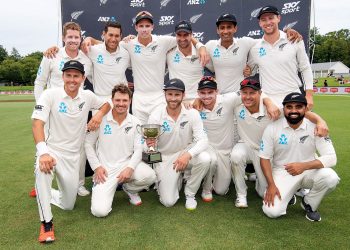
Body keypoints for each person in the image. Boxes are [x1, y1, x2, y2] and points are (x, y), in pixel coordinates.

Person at [82, 10, 209, 123]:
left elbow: (183, 38)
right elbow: (110, 44)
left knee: (157, 134)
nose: (144, 29)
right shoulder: (129, 43)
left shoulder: (162, 41)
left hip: (158, 97)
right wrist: (90, 39)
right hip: (138, 98)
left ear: (152, 27)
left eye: (147, 26)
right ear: (136, 27)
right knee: (140, 135)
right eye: (141, 26)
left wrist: (200, 46)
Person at [32, 60, 110, 243]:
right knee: (42, 169)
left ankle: (44, 191)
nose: (72, 79)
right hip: (52, 151)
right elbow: (37, 123)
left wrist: (98, 114)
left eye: (76, 76)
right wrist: (43, 152)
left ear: (83, 78)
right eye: (68, 75)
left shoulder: (88, 96)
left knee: (68, 205)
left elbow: (107, 104)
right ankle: (46, 224)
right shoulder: (50, 94)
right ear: (63, 76)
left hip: (73, 156)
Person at [231, 77, 329, 208]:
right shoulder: (236, 105)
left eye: (252, 93)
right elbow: (217, 99)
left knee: (263, 193)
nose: (248, 97)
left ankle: (266, 183)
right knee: (236, 156)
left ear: (260, 93)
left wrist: (320, 121)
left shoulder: (274, 108)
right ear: (240, 93)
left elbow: (300, 113)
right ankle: (241, 195)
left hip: (266, 153)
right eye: (244, 92)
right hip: (247, 145)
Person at [194, 76, 279, 202]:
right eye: (203, 93)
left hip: (224, 151)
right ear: (198, 93)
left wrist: (268, 101)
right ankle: (205, 184)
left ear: (217, 92)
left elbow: (253, 93)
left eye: (210, 92)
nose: (206, 96)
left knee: (221, 191)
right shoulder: (195, 106)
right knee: (208, 159)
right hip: (207, 149)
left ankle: (220, 178)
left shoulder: (228, 100)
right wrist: (196, 99)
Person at [259, 92, 339, 221]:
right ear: (283, 109)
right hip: (282, 171)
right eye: (289, 107)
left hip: (309, 170)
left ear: (306, 109)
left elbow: (331, 157)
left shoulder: (316, 127)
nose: (293, 110)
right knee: (272, 212)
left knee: (331, 177)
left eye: (298, 107)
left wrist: (303, 166)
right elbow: (264, 158)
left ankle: (309, 203)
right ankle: (289, 193)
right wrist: (271, 185)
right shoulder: (272, 128)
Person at [34, 22, 93, 197]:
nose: (73, 40)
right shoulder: (51, 55)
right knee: (46, 144)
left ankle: (80, 184)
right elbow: (39, 82)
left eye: (76, 37)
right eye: (70, 37)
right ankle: (42, 182)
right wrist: (42, 107)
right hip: (53, 111)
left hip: (77, 111)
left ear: (80, 38)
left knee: (80, 147)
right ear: (63, 38)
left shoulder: (86, 59)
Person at [85, 84, 156, 217]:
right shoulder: (100, 119)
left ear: (130, 101)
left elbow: (138, 149)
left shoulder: (136, 122)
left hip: (126, 164)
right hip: (105, 169)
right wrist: (96, 167)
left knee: (150, 176)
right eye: (117, 100)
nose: (121, 104)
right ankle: (99, 186)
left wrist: (130, 168)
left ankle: (129, 189)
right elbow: (88, 144)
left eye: (125, 100)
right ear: (112, 100)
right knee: (99, 212)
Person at [147, 78, 210, 210]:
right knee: (168, 202)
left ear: (183, 95)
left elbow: (203, 140)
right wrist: (150, 147)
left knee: (205, 158)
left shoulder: (192, 113)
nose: (173, 98)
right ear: (164, 94)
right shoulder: (156, 115)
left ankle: (190, 193)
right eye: (170, 94)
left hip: (185, 152)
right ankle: (176, 178)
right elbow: (150, 147)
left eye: (177, 95)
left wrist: (188, 154)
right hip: (166, 157)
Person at [206, 13, 301, 94]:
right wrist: (201, 47)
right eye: (222, 28)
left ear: (235, 29)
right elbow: (209, 65)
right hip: (219, 96)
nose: (225, 31)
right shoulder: (210, 45)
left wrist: (287, 32)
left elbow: (270, 38)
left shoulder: (245, 42)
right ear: (217, 30)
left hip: (240, 96)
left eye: (229, 27)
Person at [248, 6, 314, 109]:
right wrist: (247, 71)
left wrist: (309, 95)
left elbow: (305, 67)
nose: (267, 22)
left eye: (271, 18)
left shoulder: (294, 39)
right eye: (263, 20)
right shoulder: (255, 47)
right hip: (269, 101)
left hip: (293, 95)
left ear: (278, 18)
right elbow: (251, 71)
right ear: (259, 23)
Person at [85, 22, 130, 101]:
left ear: (121, 37)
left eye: (116, 36)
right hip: (100, 100)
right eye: (110, 35)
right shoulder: (93, 50)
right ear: (104, 34)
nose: (113, 39)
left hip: (121, 100)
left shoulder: (126, 54)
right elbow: (74, 52)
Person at [166, 20, 204, 102]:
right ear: (175, 36)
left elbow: (215, 72)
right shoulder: (169, 52)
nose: (182, 39)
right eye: (179, 35)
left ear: (191, 35)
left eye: (185, 35)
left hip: (198, 101)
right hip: (177, 101)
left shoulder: (202, 53)